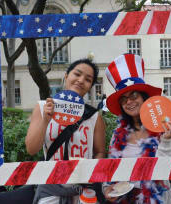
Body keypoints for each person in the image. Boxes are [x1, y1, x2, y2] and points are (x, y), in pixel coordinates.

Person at [26, 59, 106, 204]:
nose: (81, 80)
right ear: (66, 76)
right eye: (77, 74)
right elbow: (31, 149)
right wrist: (46, 120)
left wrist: (89, 171)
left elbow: (99, 151)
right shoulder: (43, 107)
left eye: (88, 79)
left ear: (90, 87)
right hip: (50, 190)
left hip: (83, 192)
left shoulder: (94, 116)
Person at [103, 54, 171, 203]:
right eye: (124, 99)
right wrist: (107, 188)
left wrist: (167, 140)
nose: (129, 102)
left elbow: (163, 168)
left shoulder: (163, 125)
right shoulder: (118, 134)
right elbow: (111, 166)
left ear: (144, 97)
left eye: (133, 96)